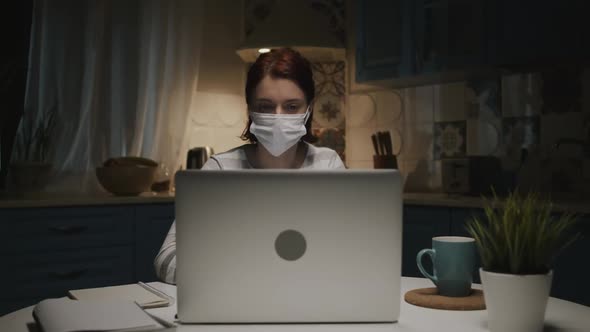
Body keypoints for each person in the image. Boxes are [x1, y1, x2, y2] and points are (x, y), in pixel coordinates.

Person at [154, 48, 345, 284]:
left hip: (310, 296)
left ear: (308, 109)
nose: (278, 116)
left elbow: (348, 250)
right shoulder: (220, 171)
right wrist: (235, 278)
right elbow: (166, 259)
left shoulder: (328, 164)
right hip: (235, 298)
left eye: (292, 107)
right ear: (250, 110)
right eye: (265, 106)